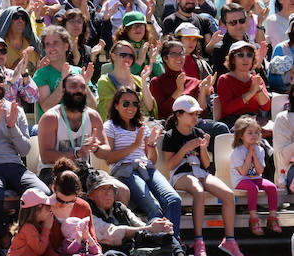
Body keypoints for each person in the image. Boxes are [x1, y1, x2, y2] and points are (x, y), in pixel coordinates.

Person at [161, 95, 241, 256]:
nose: (194, 118)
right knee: (198, 190)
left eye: (196, 114)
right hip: (180, 175)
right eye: (191, 114)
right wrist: (185, 149)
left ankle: (230, 240)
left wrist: (203, 148)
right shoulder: (170, 135)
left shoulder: (198, 132)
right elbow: (170, 165)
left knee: (228, 195)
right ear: (178, 115)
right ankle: (199, 241)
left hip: (199, 172)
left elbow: (205, 164)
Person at [102, 86, 182, 239]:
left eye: (134, 103)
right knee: (154, 208)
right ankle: (158, 246)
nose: (131, 107)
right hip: (125, 170)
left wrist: (151, 145)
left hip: (146, 168)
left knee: (174, 200)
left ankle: (171, 245)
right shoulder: (110, 126)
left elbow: (152, 160)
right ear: (116, 105)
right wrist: (134, 144)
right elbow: (109, 158)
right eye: (126, 103)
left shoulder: (141, 127)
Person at [230, 115, 282, 235]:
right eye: (250, 133)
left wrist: (254, 154)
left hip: (255, 177)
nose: (254, 135)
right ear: (241, 136)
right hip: (240, 180)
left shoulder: (260, 149)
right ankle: (253, 219)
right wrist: (250, 154)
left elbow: (259, 171)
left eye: (256, 132)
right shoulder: (237, 152)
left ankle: (273, 219)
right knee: (253, 188)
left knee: (272, 187)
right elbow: (243, 172)